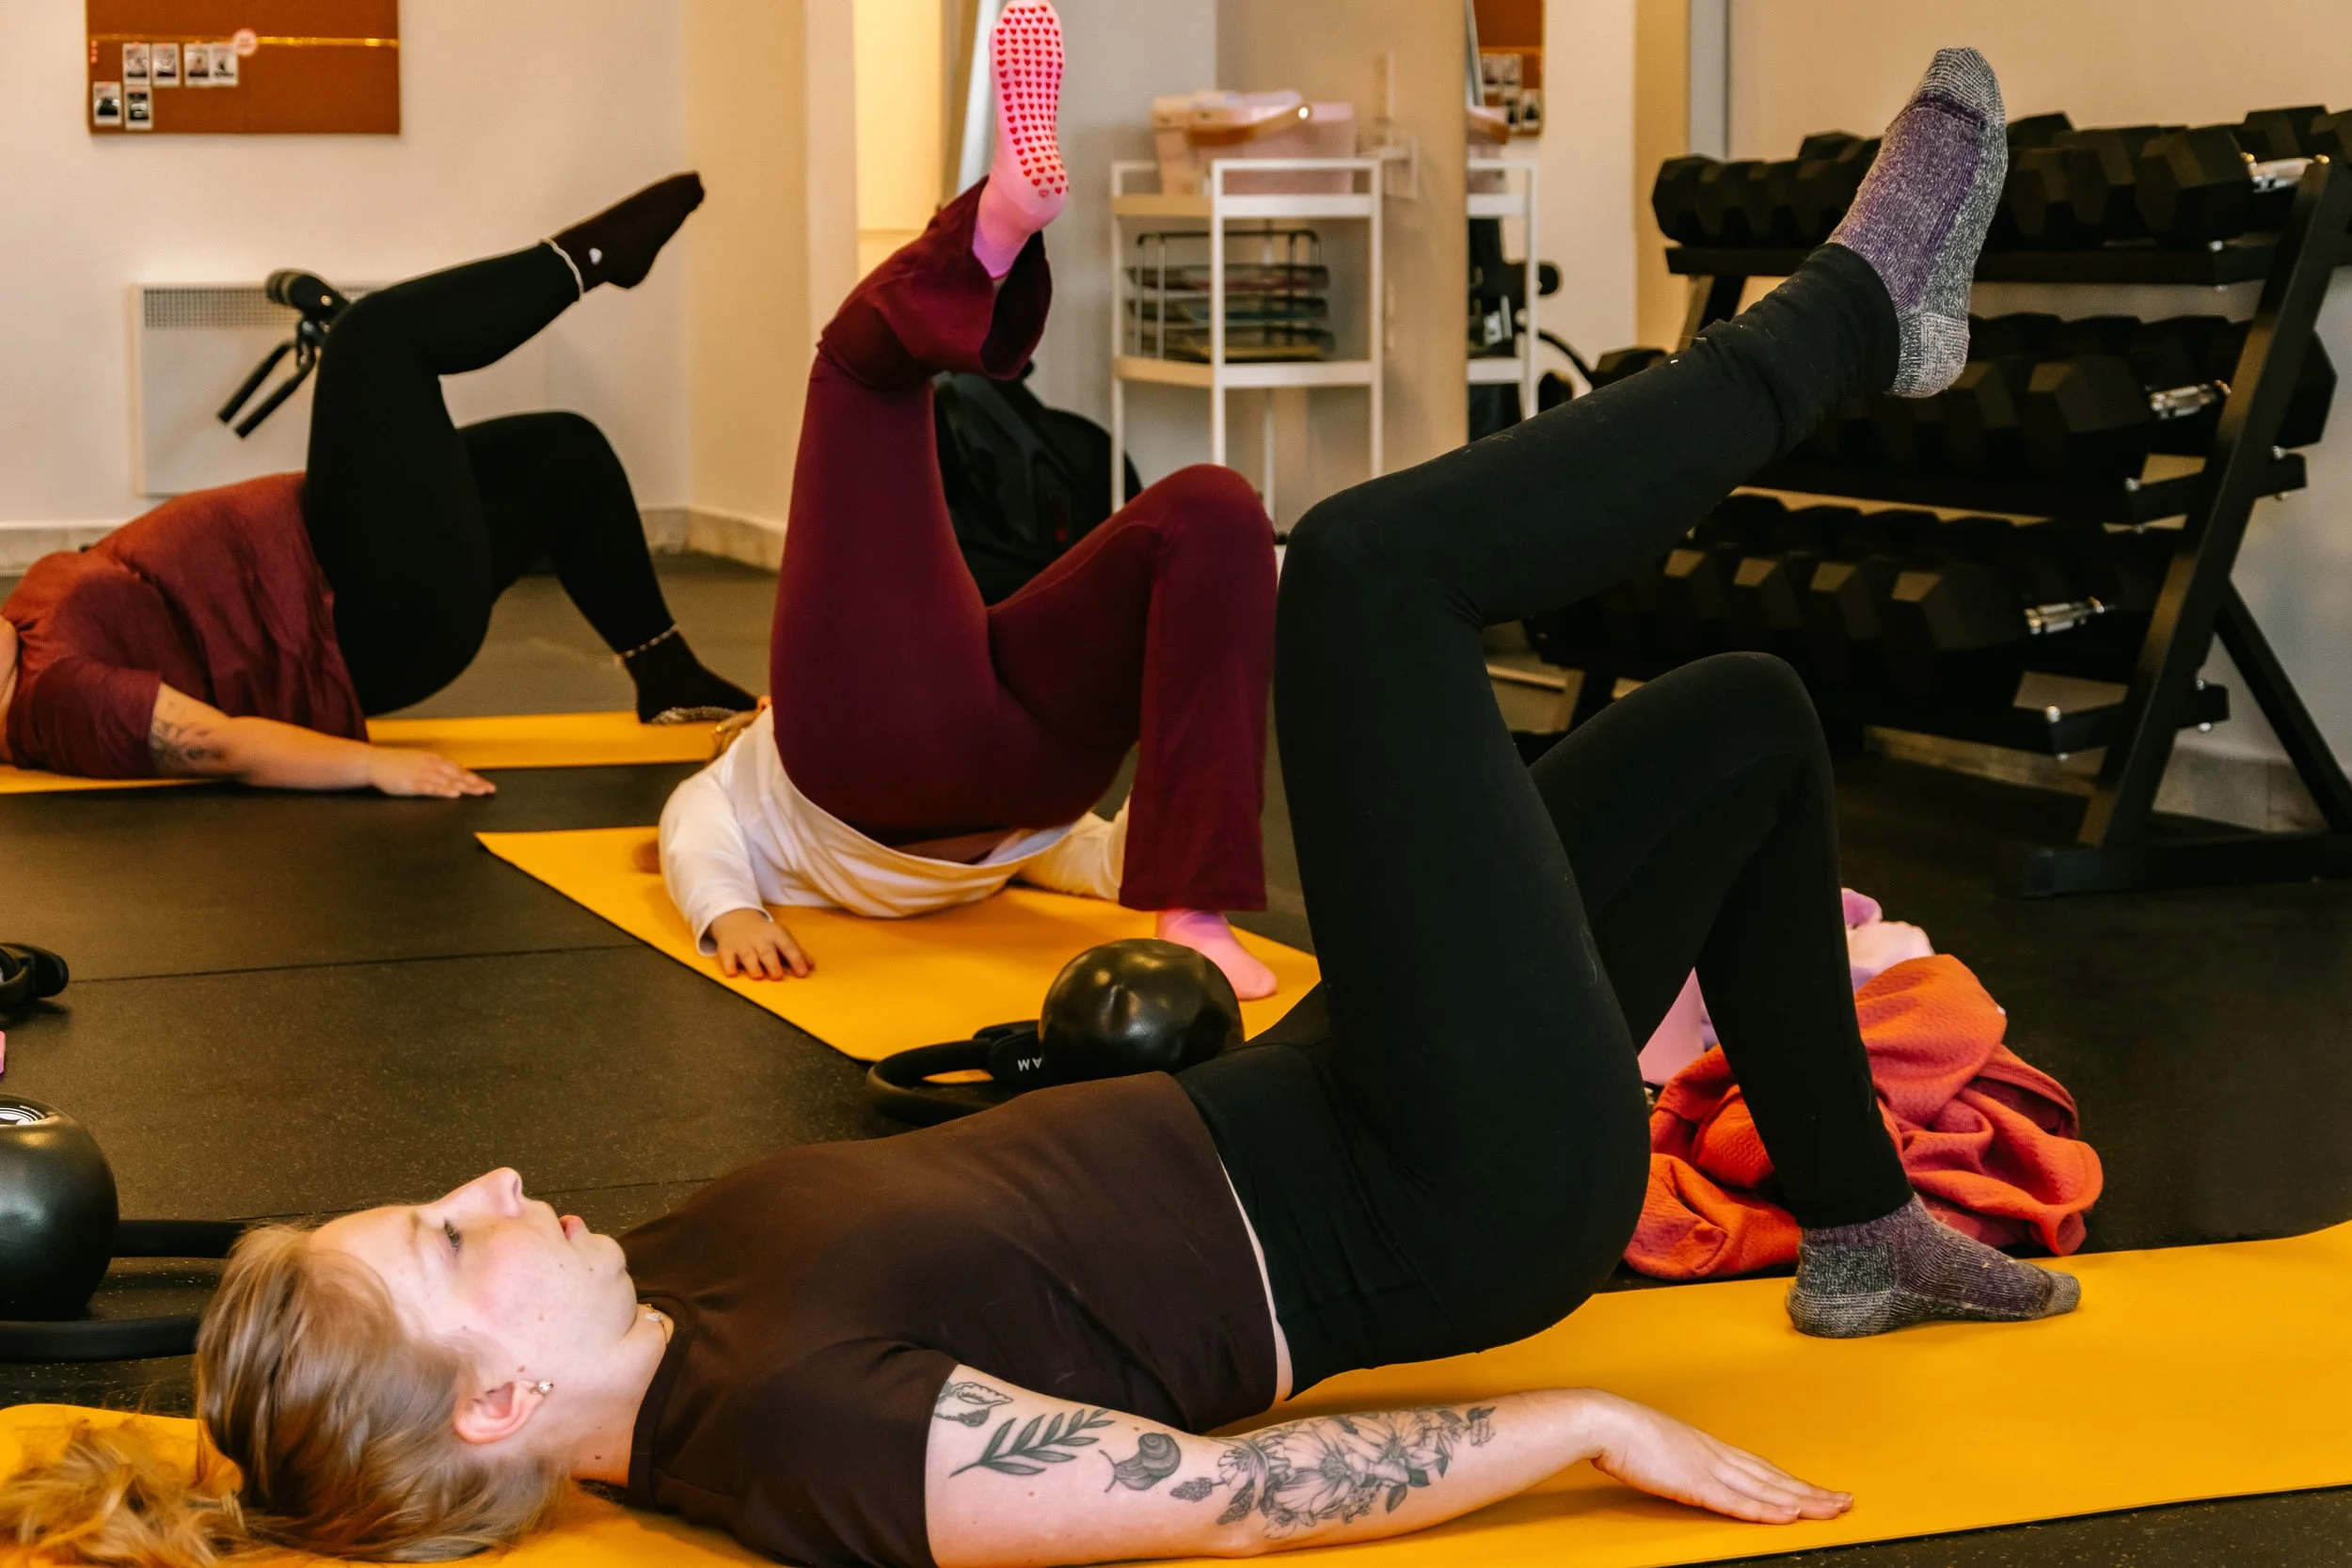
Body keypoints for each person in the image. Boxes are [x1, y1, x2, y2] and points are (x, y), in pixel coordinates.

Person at [2, 45, 2074, 1568]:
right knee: (1354, 578)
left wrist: (181, 1451)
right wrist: (1586, 1417)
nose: (487, 1172)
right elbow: (1237, 1500)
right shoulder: (805, 1438)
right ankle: (1844, 322)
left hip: (1336, 1085)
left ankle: (1859, 1220)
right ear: (497, 1401)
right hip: (1445, 1178)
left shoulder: (640, 1300)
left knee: (1736, 714)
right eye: (451, 1235)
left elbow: (238, 1375)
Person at [655, 0, 1280, 997]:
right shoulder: (758, 763)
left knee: (1211, 507)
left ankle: (1194, 915)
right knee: (860, 381)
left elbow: (688, 822)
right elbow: (689, 822)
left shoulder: (767, 760)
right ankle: (984, 238)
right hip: (938, 778)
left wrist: (729, 904)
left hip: (995, 779)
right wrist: (726, 909)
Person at [0, 175, 753, 799]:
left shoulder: (20, 623)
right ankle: (589, 258)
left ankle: (667, 673)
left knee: (563, 452)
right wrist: (373, 767)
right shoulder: (56, 698)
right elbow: (218, 745)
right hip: (359, 624)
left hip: (328, 553)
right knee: (374, 339)